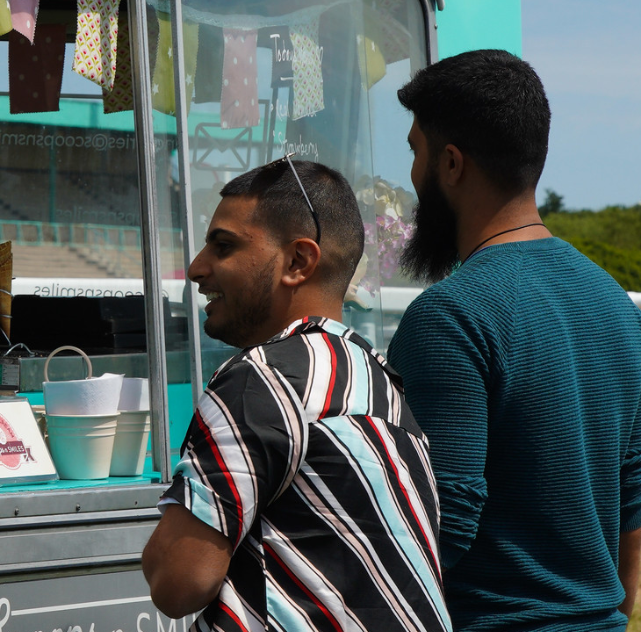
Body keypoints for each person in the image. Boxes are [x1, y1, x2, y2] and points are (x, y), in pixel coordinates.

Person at [387, 50, 641, 630]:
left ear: (451, 164)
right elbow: (630, 503)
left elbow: (441, 526)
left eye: (415, 151)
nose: (410, 175)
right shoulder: (619, 307)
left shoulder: (450, 317)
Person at [142, 157, 451, 632]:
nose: (197, 268)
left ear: (298, 262)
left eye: (223, 246)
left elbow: (178, 582)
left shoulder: (261, 380)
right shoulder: (380, 384)